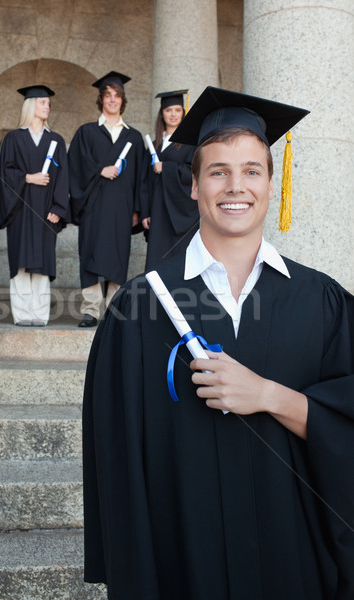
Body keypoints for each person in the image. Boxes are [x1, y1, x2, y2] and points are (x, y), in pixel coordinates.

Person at [83, 87, 354, 599]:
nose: (237, 186)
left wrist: (269, 396)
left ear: (272, 184)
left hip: (293, 561)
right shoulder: (137, 309)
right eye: (218, 171)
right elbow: (118, 467)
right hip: (181, 563)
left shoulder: (322, 300)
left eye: (252, 170)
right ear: (193, 186)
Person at [68, 71, 145, 328]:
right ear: (100, 100)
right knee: (89, 255)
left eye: (117, 96)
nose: (112, 100)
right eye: (107, 95)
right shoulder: (86, 133)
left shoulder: (133, 138)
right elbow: (75, 166)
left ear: (123, 101)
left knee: (117, 257)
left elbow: (140, 179)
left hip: (121, 209)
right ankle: (90, 310)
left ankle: (112, 310)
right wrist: (100, 170)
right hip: (92, 205)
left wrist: (136, 209)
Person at [0, 85, 70, 326]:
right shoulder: (13, 138)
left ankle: (39, 314)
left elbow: (63, 178)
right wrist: (28, 178)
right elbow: (4, 172)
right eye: (42, 103)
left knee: (41, 263)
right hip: (20, 210)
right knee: (20, 263)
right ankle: (21, 314)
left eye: (48, 103)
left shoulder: (55, 141)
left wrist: (59, 208)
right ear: (30, 106)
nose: (47, 107)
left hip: (46, 210)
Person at [141, 90, 199, 270]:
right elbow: (145, 181)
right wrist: (145, 211)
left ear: (183, 113)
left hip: (180, 212)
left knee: (180, 258)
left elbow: (195, 173)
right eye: (168, 110)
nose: (173, 114)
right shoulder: (156, 143)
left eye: (177, 110)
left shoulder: (191, 143)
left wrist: (166, 168)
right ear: (162, 114)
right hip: (158, 210)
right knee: (158, 258)